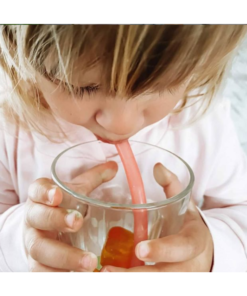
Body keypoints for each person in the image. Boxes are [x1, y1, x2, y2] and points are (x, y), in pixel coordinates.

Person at [0, 25, 246, 273]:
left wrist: (209, 252)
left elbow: (240, 214)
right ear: (14, 45)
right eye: (82, 87)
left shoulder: (205, 125)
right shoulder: (10, 126)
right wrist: (24, 242)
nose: (121, 124)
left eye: (160, 85)